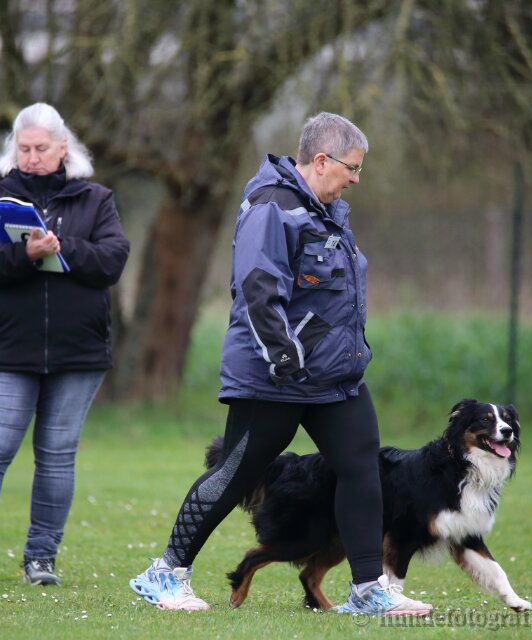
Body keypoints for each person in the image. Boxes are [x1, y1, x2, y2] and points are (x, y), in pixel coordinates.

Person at [129, 112, 431, 615]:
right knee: (236, 472)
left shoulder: (329, 212)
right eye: (353, 168)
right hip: (275, 375)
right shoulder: (273, 207)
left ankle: (368, 590)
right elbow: (257, 289)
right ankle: (165, 574)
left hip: (334, 377)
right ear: (321, 160)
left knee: (361, 467)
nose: (356, 179)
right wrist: (286, 357)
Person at [0, 103, 130, 587]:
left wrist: (62, 247)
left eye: (41, 148)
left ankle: (41, 559)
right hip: (9, 349)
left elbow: (113, 259)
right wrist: (25, 254)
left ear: (63, 148)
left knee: (56, 455)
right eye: (24, 148)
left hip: (78, 353)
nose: (32, 157)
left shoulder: (96, 200)